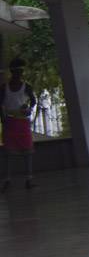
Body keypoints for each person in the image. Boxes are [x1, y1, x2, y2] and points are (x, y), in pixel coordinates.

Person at [1, 58, 36, 192]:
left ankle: (29, 178)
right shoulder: (4, 88)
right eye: (17, 71)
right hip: (10, 121)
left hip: (22, 122)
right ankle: (8, 179)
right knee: (9, 153)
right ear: (12, 72)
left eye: (20, 71)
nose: (19, 73)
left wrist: (28, 108)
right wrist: (2, 118)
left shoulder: (26, 87)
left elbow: (33, 101)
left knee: (27, 152)